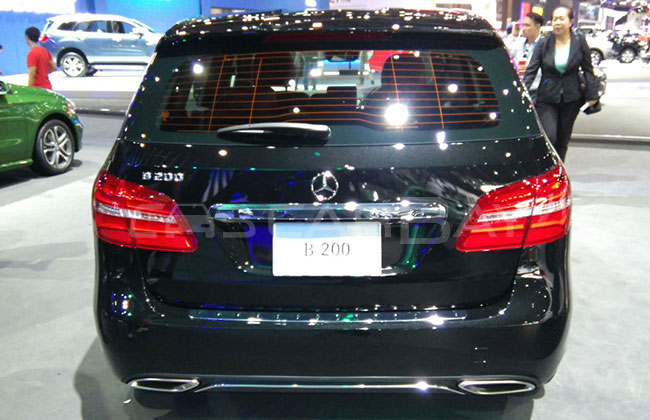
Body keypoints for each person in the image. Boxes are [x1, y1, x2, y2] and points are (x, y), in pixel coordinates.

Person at [524, 6, 599, 161]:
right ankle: (547, 166)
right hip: (547, 97)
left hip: (572, 98)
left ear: (570, 22)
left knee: (562, 140)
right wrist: (522, 93)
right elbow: (531, 70)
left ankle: (559, 169)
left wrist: (592, 95)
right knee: (549, 137)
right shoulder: (544, 43)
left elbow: (588, 69)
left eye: (561, 19)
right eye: (554, 19)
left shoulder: (579, 42)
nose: (557, 23)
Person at [509, 12, 544, 100]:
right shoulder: (519, 42)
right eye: (523, 25)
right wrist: (513, 35)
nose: (523, 29)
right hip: (518, 89)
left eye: (527, 25)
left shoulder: (544, 44)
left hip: (536, 91)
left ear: (538, 26)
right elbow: (506, 52)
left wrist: (531, 69)